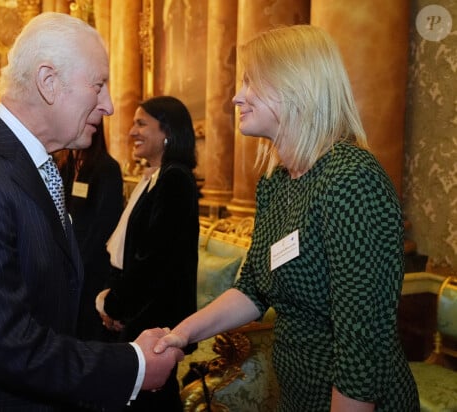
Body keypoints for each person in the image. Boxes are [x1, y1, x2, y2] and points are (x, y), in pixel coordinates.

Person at [0, 12, 183, 411]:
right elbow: (4, 345)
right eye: (99, 85)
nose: (109, 106)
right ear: (48, 82)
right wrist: (133, 366)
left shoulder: (30, 164)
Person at [155, 25, 419, 411]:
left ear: (297, 87)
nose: (236, 96)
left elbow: (362, 348)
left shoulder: (351, 180)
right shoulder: (277, 183)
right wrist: (181, 333)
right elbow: (253, 290)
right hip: (297, 394)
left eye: (251, 82)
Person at [96, 96, 199, 412]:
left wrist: (115, 305)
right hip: (140, 316)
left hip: (154, 324)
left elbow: (155, 260)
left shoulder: (174, 178)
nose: (131, 131)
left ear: (166, 131)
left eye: (141, 124)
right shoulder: (157, 176)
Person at [57, 122, 124, 341]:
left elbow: (104, 225)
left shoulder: (106, 168)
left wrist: (76, 263)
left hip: (92, 268)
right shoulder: (67, 165)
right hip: (68, 264)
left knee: (87, 335)